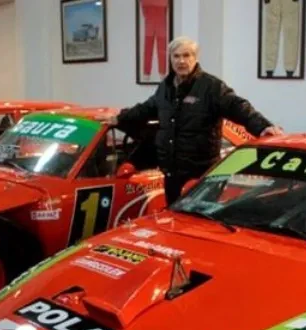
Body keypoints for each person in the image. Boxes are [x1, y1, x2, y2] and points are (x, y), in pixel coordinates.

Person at [107, 36, 283, 204]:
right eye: (176, 56)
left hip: (202, 177)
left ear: (195, 58)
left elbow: (238, 107)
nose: (181, 61)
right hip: (172, 174)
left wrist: (263, 127)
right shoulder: (165, 88)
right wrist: (119, 119)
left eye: (186, 55)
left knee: (195, 221)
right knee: (173, 218)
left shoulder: (211, 87)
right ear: (170, 59)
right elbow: (145, 109)